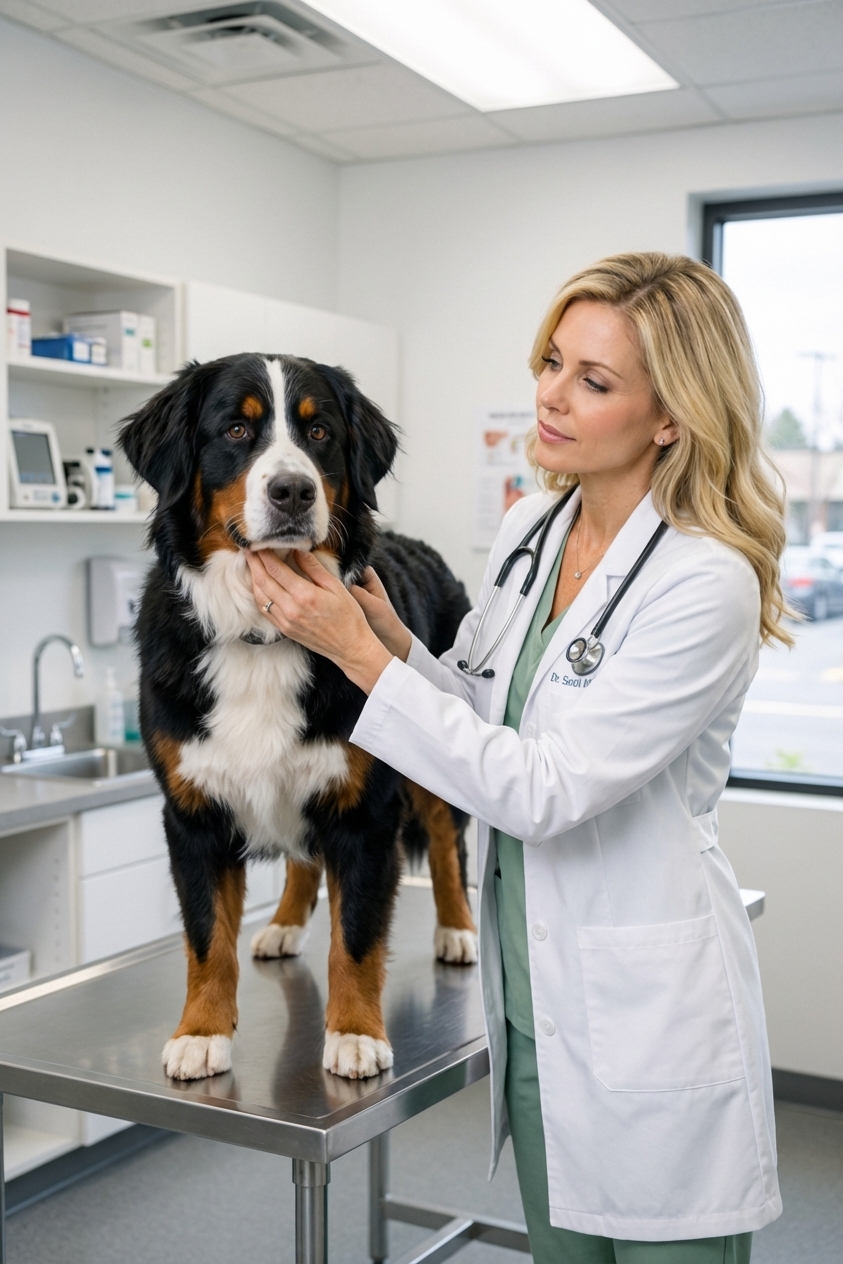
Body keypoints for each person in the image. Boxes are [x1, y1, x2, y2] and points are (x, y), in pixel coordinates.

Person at [247, 253, 786, 1262]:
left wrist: (357, 656)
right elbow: (489, 719)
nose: (551, 394)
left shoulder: (706, 582)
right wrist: (396, 644)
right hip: (534, 1010)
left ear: (670, 414)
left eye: (594, 379)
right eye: (551, 360)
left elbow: (544, 788)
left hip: (648, 1015)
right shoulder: (532, 528)